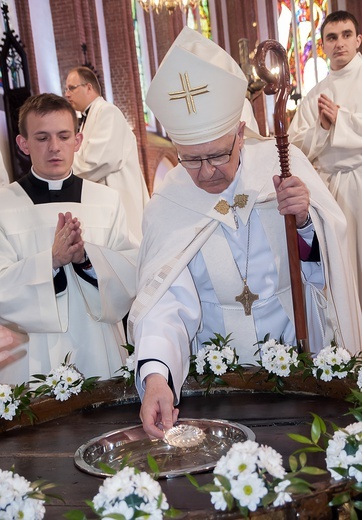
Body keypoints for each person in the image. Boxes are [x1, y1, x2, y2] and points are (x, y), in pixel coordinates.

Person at [128, 26, 362, 438]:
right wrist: (157, 376)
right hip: (216, 382)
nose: (206, 172)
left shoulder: (282, 164)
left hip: (295, 363)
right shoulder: (170, 202)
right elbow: (166, 301)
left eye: (217, 155)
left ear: (239, 133)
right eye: (191, 159)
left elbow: (328, 266)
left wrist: (306, 221)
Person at [0, 93, 138, 385]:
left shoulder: (107, 200)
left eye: (63, 136)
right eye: (42, 137)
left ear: (78, 141)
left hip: (99, 345)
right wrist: (51, 261)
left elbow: (131, 272)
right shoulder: (4, 206)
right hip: (31, 354)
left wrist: (87, 260)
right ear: (23, 144)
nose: (54, 147)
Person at [288, 10, 362, 300]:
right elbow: (295, 148)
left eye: (346, 35)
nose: (339, 43)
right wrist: (321, 127)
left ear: (358, 40)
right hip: (330, 190)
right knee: (342, 270)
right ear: (323, 45)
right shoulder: (315, 95)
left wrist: (341, 121)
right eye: (331, 37)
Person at [64, 66, 149, 242]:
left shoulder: (108, 112)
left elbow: (96, 162)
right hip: (103, 202)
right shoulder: (89, 118)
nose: (66, 94)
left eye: (71, 88)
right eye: (66, 89)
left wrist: (62, 166)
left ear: (88, 87)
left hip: (118, 199)